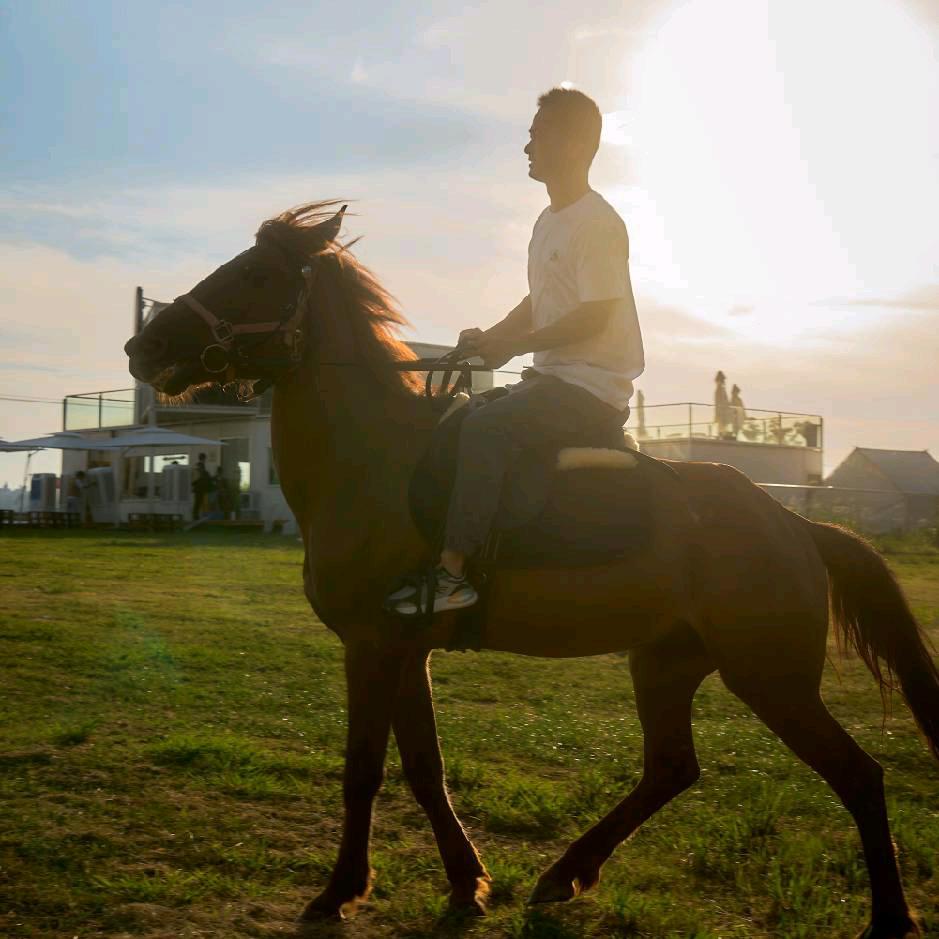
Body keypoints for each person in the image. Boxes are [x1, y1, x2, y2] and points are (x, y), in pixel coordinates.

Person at [389, 87, 644, 615]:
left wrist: (512, 346)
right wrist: (491, 338)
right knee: (459, 419)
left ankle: (453, 576)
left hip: (591, 389)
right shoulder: (548, 221)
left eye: (538, 134)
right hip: (554, 382)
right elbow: (539, 302)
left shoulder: (599, 223)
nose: (527, 146)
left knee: (487, 428)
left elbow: (594, 315)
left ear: (574, 144)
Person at [191, 453, 210, 520]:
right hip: (200, 487)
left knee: (198, 502)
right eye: (204, 458)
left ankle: (196, 515)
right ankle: (195, 516)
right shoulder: (200, 466)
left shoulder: (197, 465)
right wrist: (206, 474)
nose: (205, 460)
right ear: (203, 458)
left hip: (198, 487)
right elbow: (201, 476)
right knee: (198, 502)